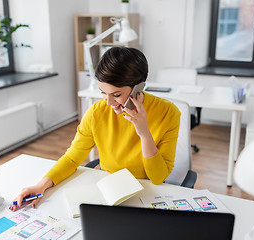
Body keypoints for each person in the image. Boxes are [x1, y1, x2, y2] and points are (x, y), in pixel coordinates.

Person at [10, 47, 181, 211]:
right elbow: (72, 158)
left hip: (147, 194)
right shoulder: (96, 112)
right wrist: (41, 186)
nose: (108, 103)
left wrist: (144, 133)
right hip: (111, 192)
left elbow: (158, 178)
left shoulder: (168, 112)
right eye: (103, 93)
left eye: (116, 95)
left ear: (138, 87)